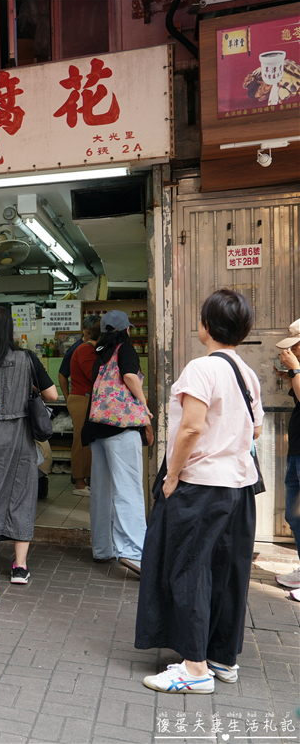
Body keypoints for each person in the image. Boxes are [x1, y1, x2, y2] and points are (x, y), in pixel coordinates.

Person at [136, 290, 264, 694]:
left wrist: (172, 476)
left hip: (201, 484)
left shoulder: (201, 369)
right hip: (238, 487)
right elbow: (256, 429)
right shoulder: (248, 372)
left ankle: (193, 669)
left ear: (206, 325)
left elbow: (191, 427)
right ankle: (223, 658)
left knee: (189, 569)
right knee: (227, 571)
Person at [0, 306, 57, 585]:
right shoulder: (28, 359)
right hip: (20, 438)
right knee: (22, 495)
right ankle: (19, 567)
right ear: (10, 329)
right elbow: (52, 395)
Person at [81, 310, 152, 573]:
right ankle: (134, 552)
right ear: (126, 330)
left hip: (97, 428)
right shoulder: (125, 349)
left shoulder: (100, 352)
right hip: (121, 428)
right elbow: (130, 377)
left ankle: (103, 548)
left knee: (102, 491)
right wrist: (144, 406)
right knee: (128, 489)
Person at [273, 318, 300, 595]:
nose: (293, 351)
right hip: (296, 450)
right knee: (295, 515)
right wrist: (289, 374)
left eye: (296, 346)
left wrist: (295, 370)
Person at [61, 316, 101, 496]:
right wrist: (68, 397)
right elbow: (92, 375)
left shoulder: (91, 349)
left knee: (88, 442)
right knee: (81, 442)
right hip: (81, 399)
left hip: (86, 399)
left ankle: (87, 479)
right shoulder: (84, 349)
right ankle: (79, 482)